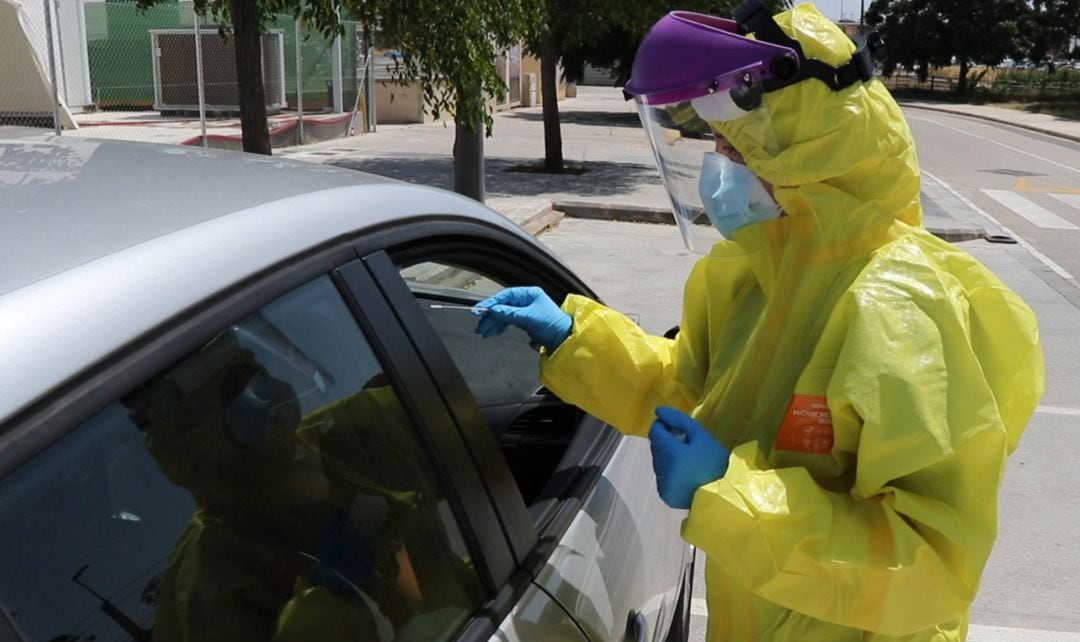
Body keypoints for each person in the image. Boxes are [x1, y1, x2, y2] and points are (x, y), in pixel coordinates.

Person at [473, 2, 1044, 640]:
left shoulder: (901, 307)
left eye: (732, 147)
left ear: (805, 156)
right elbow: (692, 395)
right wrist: (578, 338)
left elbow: (930, 563)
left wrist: (731, 495)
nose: (718, 170)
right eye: (715, 146)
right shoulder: (756, 274)